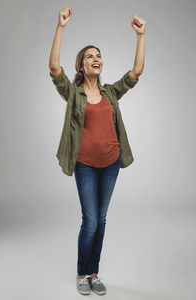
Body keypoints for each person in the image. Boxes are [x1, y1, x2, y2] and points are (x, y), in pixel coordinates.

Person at [49, 6, 145, 296]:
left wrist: (141, 35)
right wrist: (60, 27)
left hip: (112, 161)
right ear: (81, 65)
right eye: (89, 56)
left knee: (101, 219)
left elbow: (136, 72)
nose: (96, 58)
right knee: (90, 220)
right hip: (86, 164)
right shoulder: (72, 92)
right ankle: (82, 273)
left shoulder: (110, 93)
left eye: (98, 55)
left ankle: (94, 273)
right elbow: (54, 69)